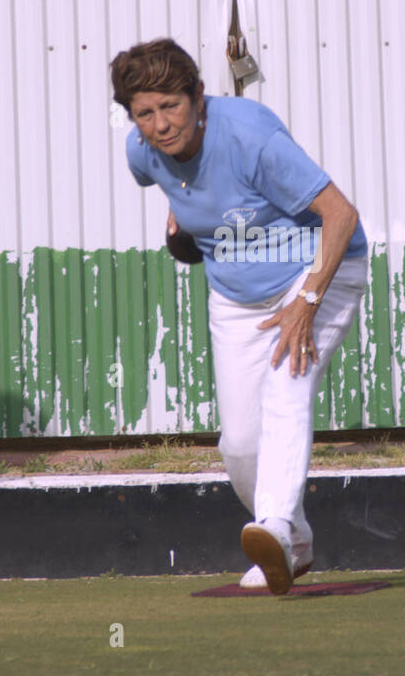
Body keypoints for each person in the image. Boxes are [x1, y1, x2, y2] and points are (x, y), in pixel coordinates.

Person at [110, 38, 368, 594]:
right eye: (144, 114)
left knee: (284, 388)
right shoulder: (142, 155)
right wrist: (184, 230)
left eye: (171, 106)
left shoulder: (251, 135)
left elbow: (340, 215)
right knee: (240, 444)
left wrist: (306, 302)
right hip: (235, 297)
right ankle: (292, 544)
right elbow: (187, 203)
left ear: (199, 96)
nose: (160, 124)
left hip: (318, 272)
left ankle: (272, 525)